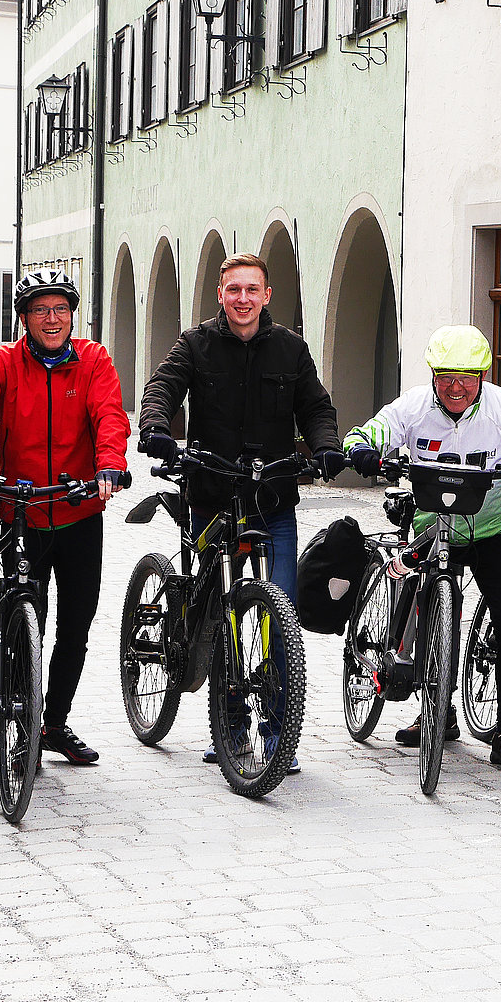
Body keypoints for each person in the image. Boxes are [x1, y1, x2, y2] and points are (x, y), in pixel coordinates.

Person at [136, 253, 342, 772]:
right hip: (211, 492)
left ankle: (277, 731)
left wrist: (325, 446)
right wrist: (157, 428)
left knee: (281, 615)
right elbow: (163, 386)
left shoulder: (290, 349)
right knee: (217, 610)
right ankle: (228, 726)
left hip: (271, 497)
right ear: (221, 295)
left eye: (253, 290)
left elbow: (315, 407)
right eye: (234, 290)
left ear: (267, 296)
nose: (243, 299)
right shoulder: (196, 343)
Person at [345, 326, 501, 775]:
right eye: (446, 376)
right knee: (433, 619)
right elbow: (366, 433)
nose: (455, 387)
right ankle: (437, 711)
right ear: (432, 374)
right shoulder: (414, 405)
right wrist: (363, 452)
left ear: (483, 375)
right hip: (433, 527)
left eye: (467, 378)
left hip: (489, 530)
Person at [0, 268, 129, 766]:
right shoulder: (4, 363)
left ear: (72, 316)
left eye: (60, 309)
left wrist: (110, 465)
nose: (52, 319)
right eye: (40, 310)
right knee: (23, 622)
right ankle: (19, 724)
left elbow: (110, 416)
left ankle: (53, 724)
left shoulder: (94, 359)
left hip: (80, 510)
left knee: (75, 626)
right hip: (21, 513)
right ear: (24, 319)